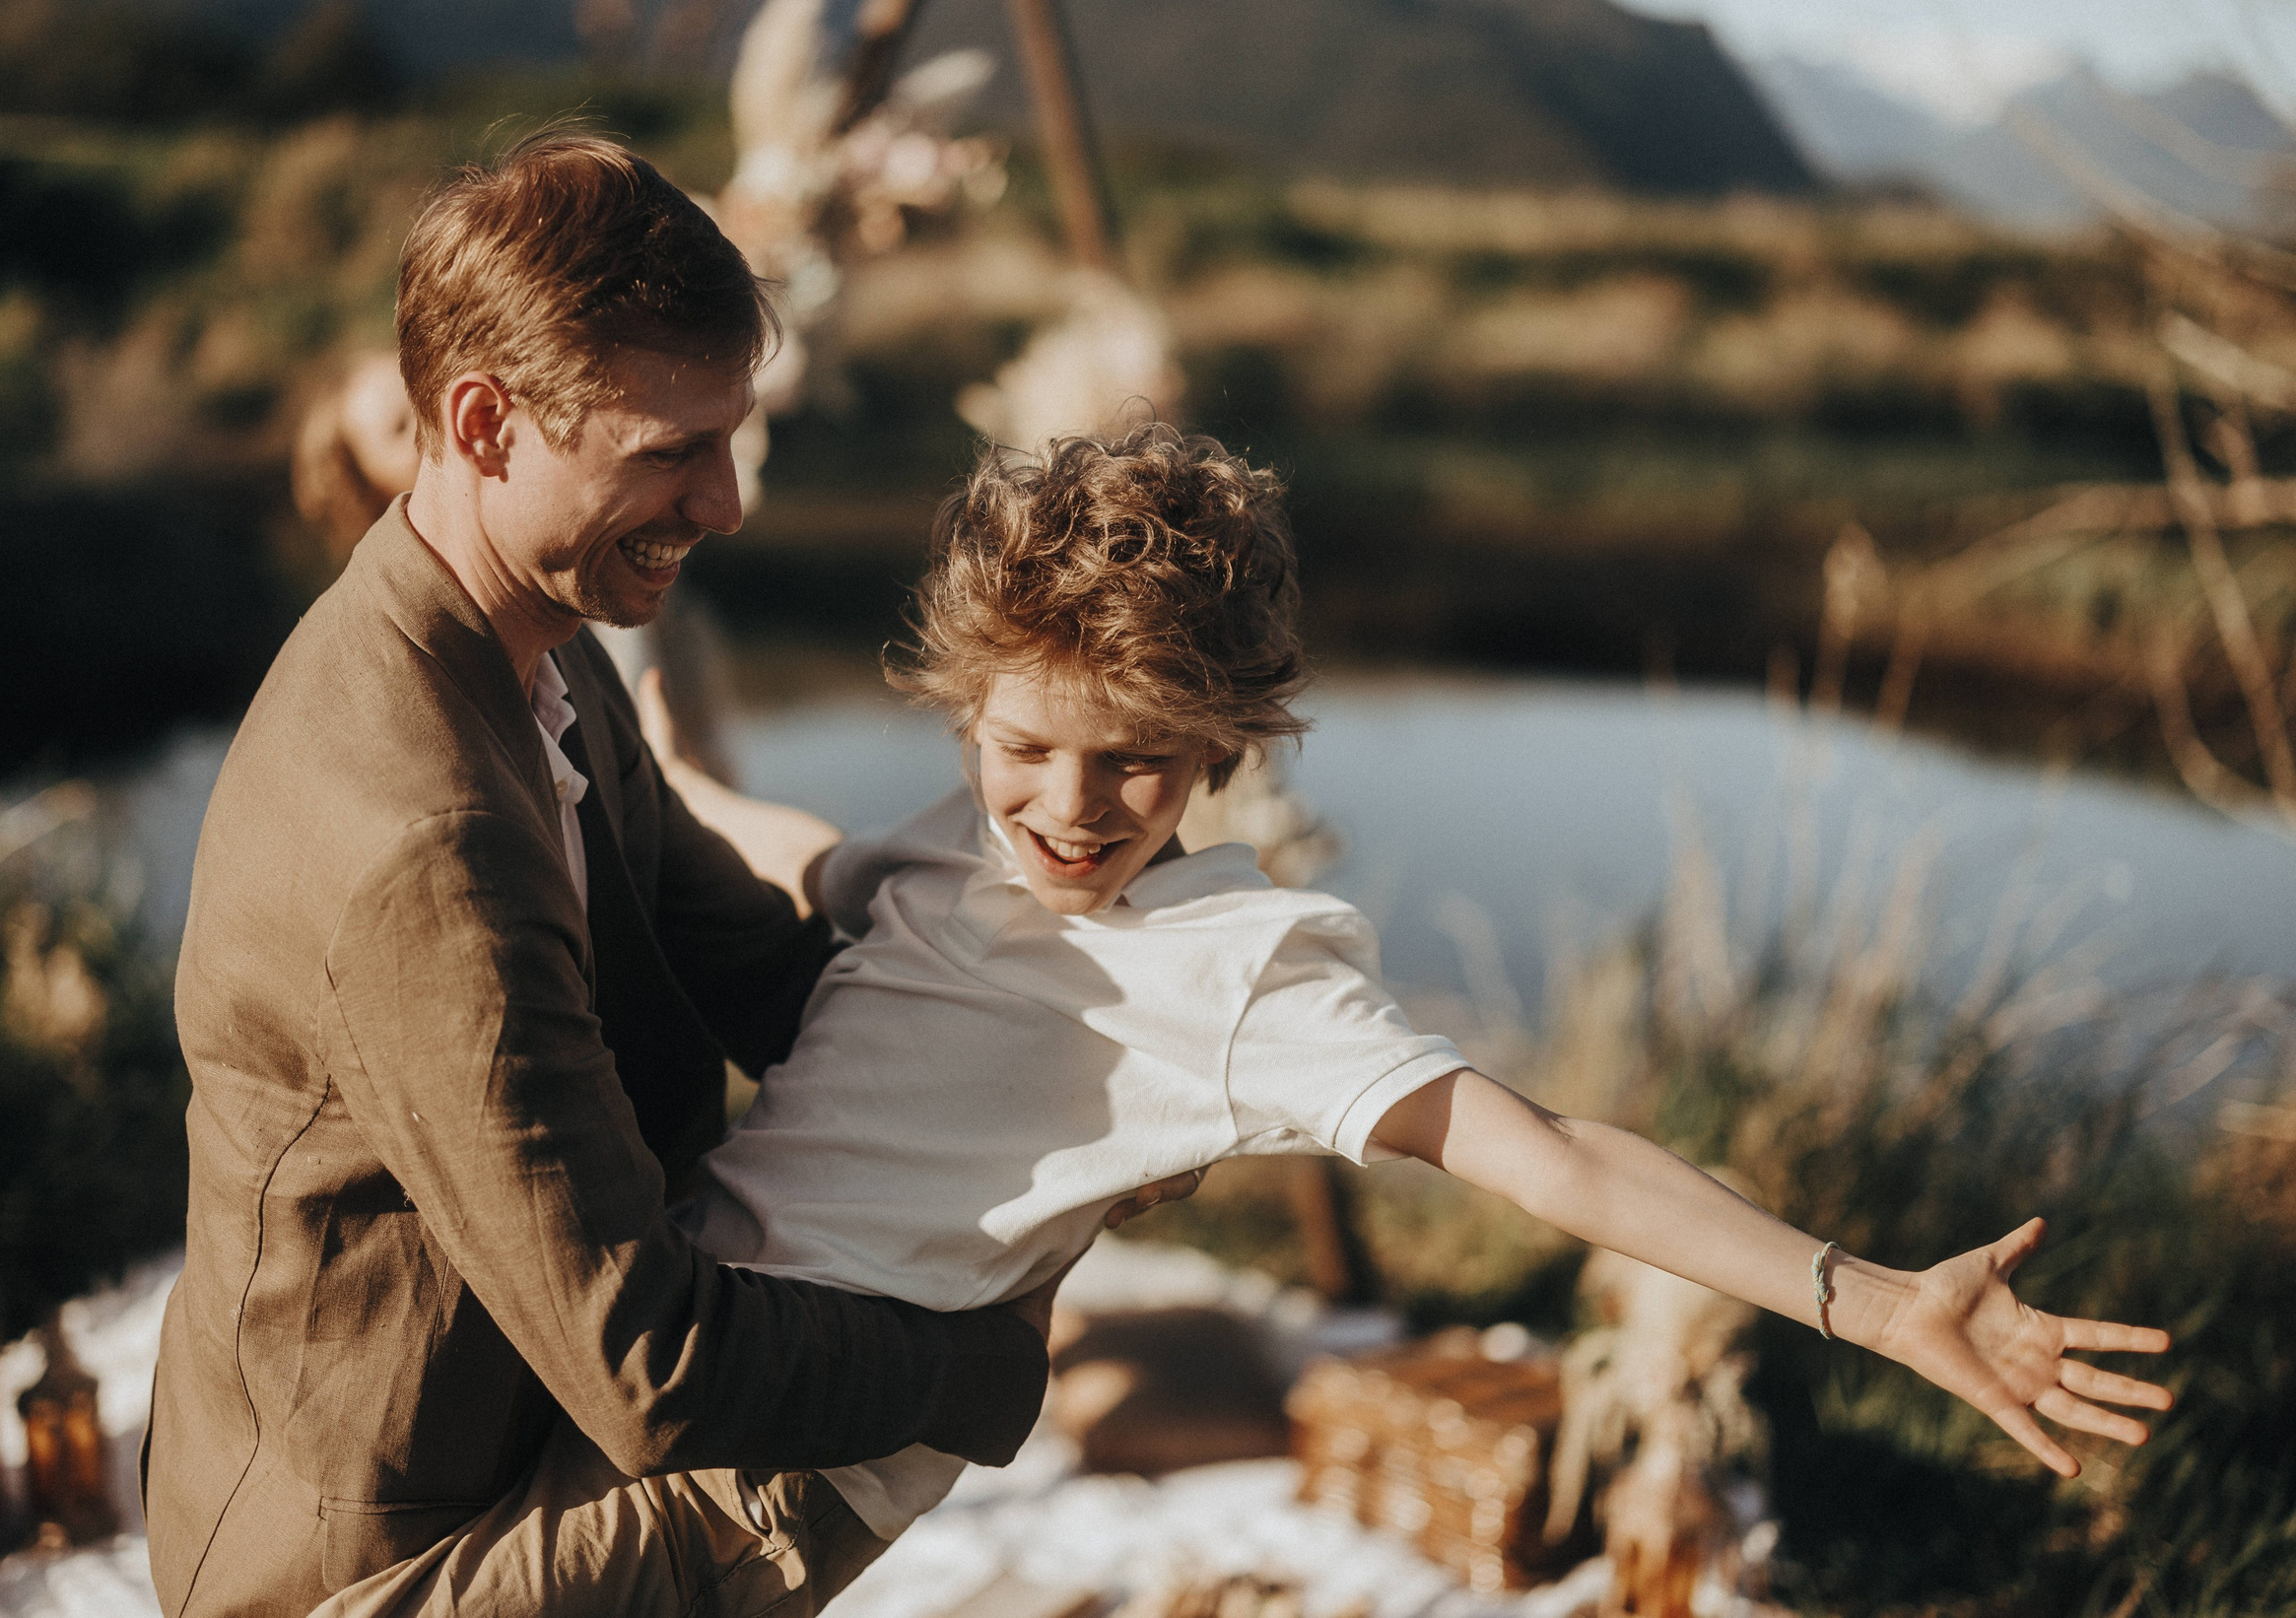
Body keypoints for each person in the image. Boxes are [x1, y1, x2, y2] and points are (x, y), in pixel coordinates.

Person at [391, 422, 2171, 1587]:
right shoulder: (960, 844)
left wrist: (1867, 1304)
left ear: (1219, 756)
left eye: (1139, 770)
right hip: (675, 1322)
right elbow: (808, 867)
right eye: (1030, 751)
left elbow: (1550, 1158)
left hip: (781, 1465)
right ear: (966, 717)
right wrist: (588, 751)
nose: (1075, 812)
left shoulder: (1236, 975)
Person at [144, 132, 1187, 1618]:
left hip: (506, 1423)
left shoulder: (537, 651)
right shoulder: (418, 832)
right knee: (851, 1428)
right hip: (375, 1556)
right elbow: (649, 1361)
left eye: (729, 438)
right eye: (670, 452)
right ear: (488, 422)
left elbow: (756, 971)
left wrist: (1080, 1068)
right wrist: (976, 1361)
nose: (727, 504)